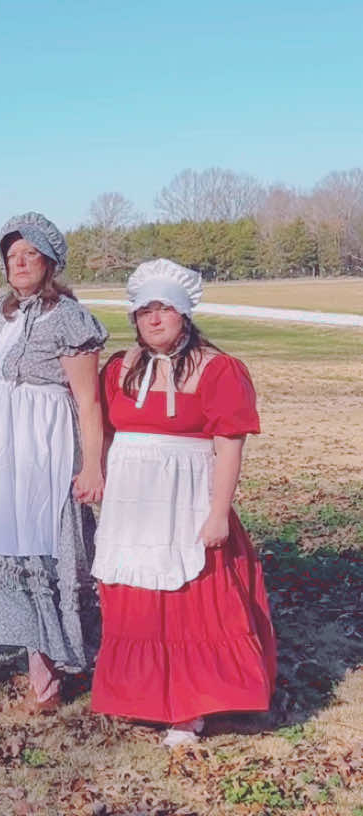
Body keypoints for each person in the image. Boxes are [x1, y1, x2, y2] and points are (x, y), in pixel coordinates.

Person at [91, 258, 276, 744]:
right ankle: (142, 694)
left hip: (187, 497)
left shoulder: (219, 369)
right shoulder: (120, 368)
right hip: (134, 500)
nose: (154, 319)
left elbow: (230, 444)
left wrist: (218, 512)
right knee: (137, 597)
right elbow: (106, 435)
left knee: (187, 600)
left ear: (184, 314)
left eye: (165, 309)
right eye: (145, 310)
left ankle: (189, 709)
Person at [0, 214, 106, 713]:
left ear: (49, 261)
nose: (20, 264)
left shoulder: (68, 317)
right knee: (6, 549)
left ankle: (58, 670)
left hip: (45, 443)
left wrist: (92, 464)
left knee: (49, 549)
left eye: (30, 255)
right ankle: (38, 669)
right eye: (12, 257)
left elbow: (88, 402)